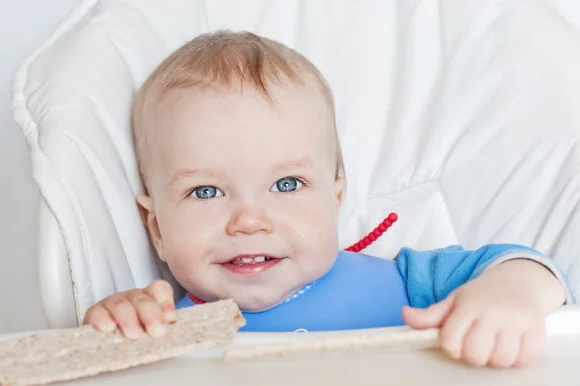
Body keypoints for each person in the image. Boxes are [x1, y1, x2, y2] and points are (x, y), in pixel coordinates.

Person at [84, 31, 573, 368]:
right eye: (206, 191)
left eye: (287, 184)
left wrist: (509, 296)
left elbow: (532, 269)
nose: (250, 220)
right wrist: (117, 327)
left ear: (335, 200)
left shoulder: (409, 283)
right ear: (155, 229)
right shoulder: (162, 327)